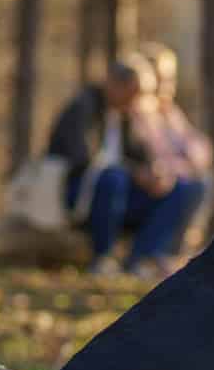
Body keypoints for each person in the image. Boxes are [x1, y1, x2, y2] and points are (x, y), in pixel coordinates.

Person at [46, 55, 205, 277]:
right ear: (114, 84)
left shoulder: (125, 115)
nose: (135, 101)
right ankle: (103, 257)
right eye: (133, 93)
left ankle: (142, 257)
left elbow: (140, 155)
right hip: (81, 195)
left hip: (121, 194)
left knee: (187, 188)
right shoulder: (84, 106)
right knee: (114, 177)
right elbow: (82, 158)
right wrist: (134, 173)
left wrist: (154, 173)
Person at [135, 41, 214, 251]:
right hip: (149, 181)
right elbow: (155, 154)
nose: (168, 86)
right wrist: (186, 165)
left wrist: (190, 161)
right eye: (163, 79)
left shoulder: (170, 112)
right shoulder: (141, 112)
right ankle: (153, 253)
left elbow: (200, 148)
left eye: (171, 79)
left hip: (177, 176)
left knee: (202, 182)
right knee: (191, 186)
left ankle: (178, 249)